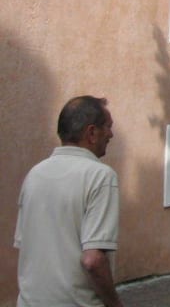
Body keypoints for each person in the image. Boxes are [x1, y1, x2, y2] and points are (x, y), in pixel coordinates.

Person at [15, 96, 124, 307]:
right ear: (91, 132)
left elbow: (26, 246)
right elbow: (93, 260)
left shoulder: (34, 174)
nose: (111, 134)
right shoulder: (100, 176)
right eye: (108, 127)